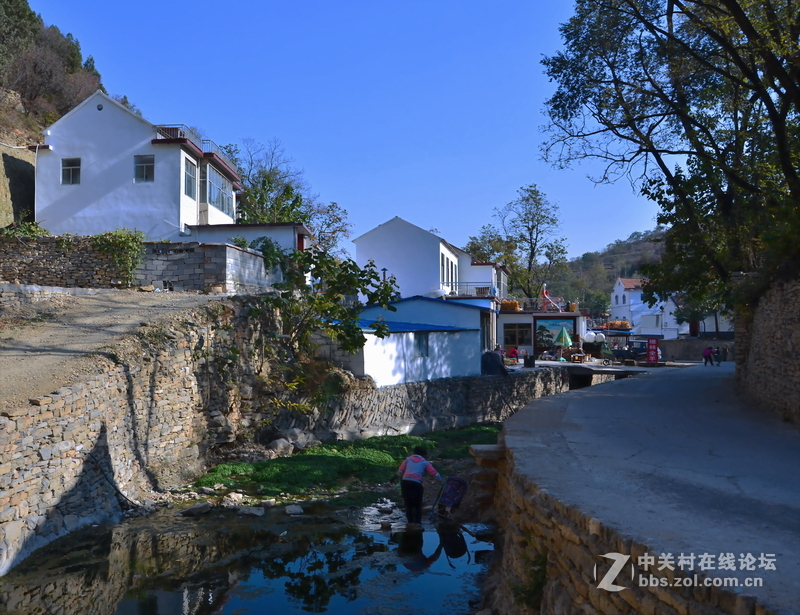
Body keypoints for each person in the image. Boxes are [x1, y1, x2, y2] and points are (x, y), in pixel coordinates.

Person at [397, 446, 443, 526]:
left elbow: (400, 471)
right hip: (416, 484)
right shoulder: (425, 462)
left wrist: (400, 478)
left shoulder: (408, 460)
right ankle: (418, 523)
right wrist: (440, 482)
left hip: (405, 483)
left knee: (408, 504)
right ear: (424, 455)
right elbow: (435, 474)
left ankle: (410, 523)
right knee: (417, 505)